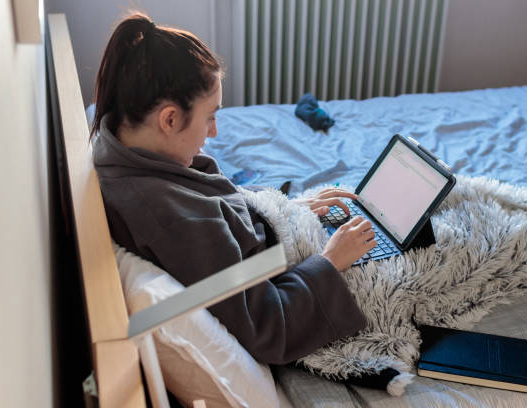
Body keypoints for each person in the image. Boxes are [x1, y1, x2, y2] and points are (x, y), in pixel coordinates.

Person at [91, 13, 377, 364]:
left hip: (285, 236)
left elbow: (216, 207)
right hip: (310, 270)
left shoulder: (118, 154)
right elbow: (267, 327)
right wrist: (331, 260)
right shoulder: (177, 222)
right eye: (210, 116)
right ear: (168, 119)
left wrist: (291, 208)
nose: (213, 132)